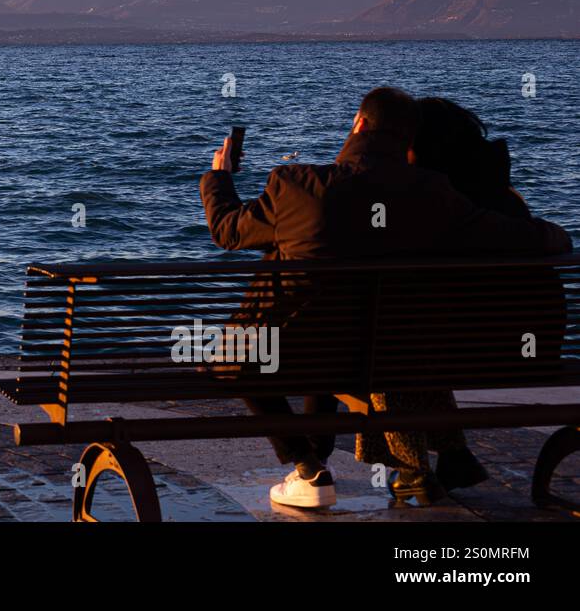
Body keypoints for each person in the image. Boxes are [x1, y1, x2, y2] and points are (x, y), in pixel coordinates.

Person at [199, 87, 572, 509]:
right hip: (391, 354)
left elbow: (227, 231)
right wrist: (555, 235)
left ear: (359, 124)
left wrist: (219, 177)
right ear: (408, 141)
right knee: (345, 331)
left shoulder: (297, 185)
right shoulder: (436, 194)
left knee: (223, 347)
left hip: (315, 354)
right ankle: (370, 463)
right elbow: (525, 237)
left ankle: (309, 467)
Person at [356, 97, 566, 501]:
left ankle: (413, 468)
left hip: (455, 354)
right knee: (411, 343)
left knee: (386, 352)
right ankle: (453, 455)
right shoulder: (502, 198)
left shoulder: (432, 201)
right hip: (532, 354)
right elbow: (549, 238)